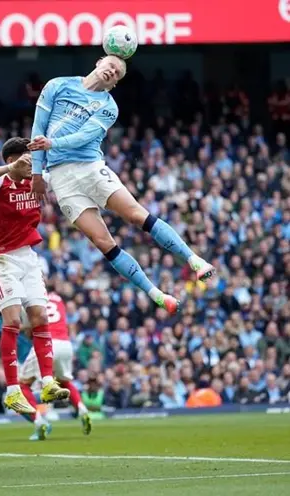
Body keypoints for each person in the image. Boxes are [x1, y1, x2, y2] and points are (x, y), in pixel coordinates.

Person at [28, 55, 214, 315]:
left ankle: (195, 260)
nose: (111, 72)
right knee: (103, 242)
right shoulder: (57, 85)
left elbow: (83, 137)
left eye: (117, 73)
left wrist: (52, 144)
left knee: (136, 215)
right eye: (110, 66)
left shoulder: (108, 107)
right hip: (61, 179)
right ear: (98, 62)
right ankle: (157, 295)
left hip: (89, 168)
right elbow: (38, 127)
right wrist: (37, 173)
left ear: (114, 83)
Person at [0, 138, 70, 415]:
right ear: (12, 161)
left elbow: (62, 173)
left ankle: (48, 382)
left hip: (28, 257)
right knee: (14, 320)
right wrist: (11, 168)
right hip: (1, 260)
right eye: (27, 160)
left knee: (40, 317)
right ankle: (12, 391)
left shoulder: (35, 180)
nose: (32, 165)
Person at [18, 291, 90, 440]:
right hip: (65, 344)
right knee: (64, 381)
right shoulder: (58, 299)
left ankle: (39, 422)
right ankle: (82, 409)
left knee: (22, 386)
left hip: (46, 342)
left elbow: (29, 328)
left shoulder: (31, 298)